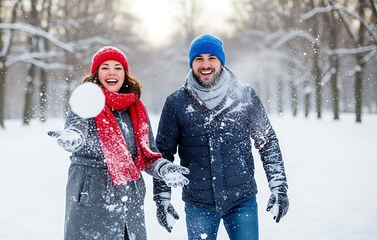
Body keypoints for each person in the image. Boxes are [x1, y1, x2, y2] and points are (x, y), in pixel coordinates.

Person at [153, 34, 289, 240]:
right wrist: (162, 198)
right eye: (199, 58)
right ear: (191, 63)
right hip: (198, 203)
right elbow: (163, 153)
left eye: (211, 58)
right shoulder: (176, 103)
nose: (205, 64)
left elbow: (267, 142)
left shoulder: (245, 96)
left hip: (242, 200)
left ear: (220, 61)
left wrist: (278, 186)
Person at [48, 46, 189, 240]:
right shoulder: (86, 101)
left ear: (125, 74)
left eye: (118, 67)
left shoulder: (136, 109)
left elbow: (148, 154)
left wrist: (164, 169)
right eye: (105, 67)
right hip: (92, 200)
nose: (112, 72)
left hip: (129, 202)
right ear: (97, 73)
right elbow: (76, 129)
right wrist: (72, 139)